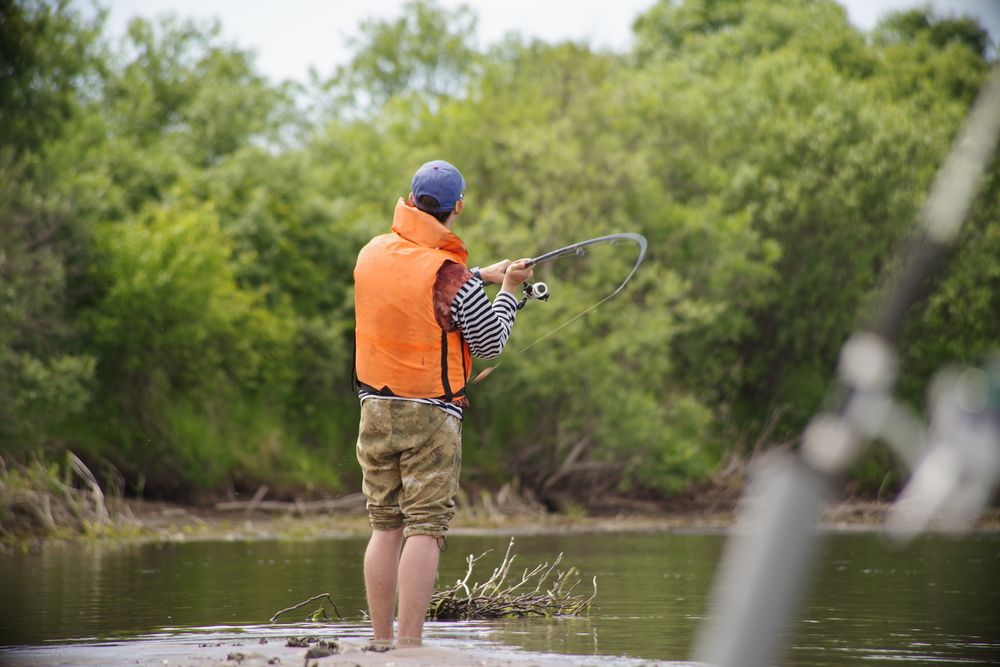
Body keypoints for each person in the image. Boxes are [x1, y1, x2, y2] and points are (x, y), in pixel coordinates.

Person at [353, 159, 532, 648]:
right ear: (459, 208)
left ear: (410, 200)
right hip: (430, 415)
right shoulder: (452, 277)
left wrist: (479, 275)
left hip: (374, 409)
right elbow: (490, 343)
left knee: (384, 526)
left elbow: (413, 286)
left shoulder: (370, 254)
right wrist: (510, 293)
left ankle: (380, 641)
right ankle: (410, 646)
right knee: (425, 528)